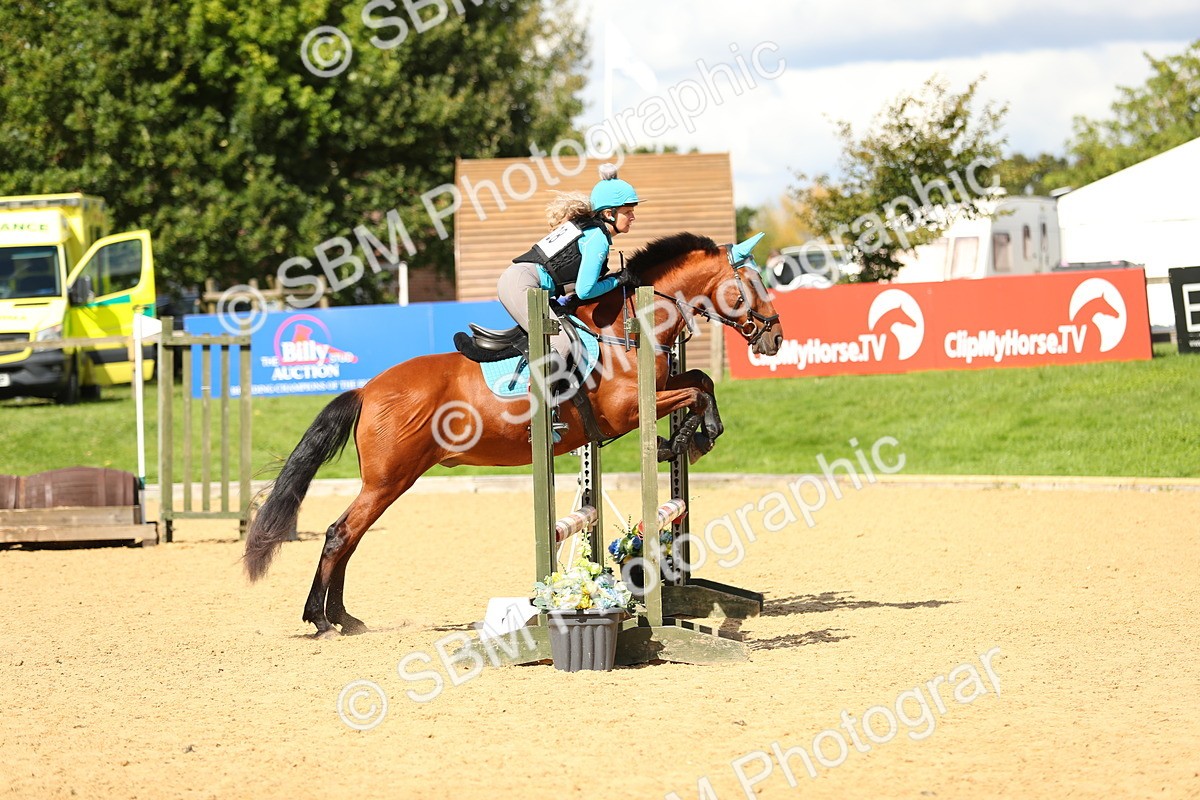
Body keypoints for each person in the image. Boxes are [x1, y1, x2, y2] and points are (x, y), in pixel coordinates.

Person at [497, 163, 640, 364]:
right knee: (563, 344)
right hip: (522, 284)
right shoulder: (597, 237)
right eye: (628, 211)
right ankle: (536, 392)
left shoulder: (592, 231)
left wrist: (615, 279)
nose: (633, 217)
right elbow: (585, 291)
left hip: (525, 282)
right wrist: (618, 280)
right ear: (609, 214)